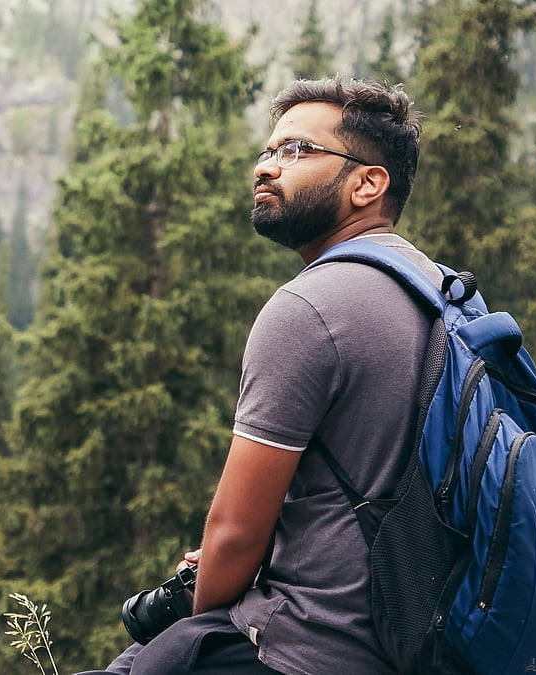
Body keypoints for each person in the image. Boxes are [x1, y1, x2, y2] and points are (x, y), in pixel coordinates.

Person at [80, 76, 444, 674]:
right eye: (268, 150)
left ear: (368, 183)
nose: (268, 167)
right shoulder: (436, 289)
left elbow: (233, 536)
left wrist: (197, 602)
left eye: (298, 150)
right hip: (406, 643)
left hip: (305, 650)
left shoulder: (310, 307)